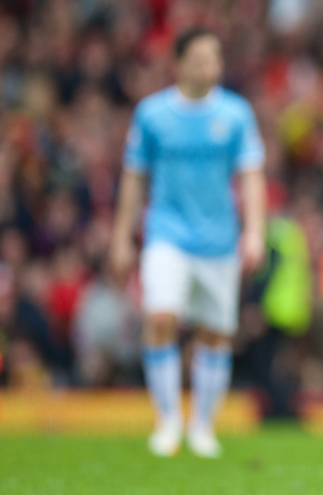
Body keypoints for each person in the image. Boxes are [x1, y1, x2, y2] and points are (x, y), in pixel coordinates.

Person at [110, 28, 266, 458]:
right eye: (199, 59)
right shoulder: (152, 115)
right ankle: (167, 421)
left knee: (214, 334)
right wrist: (122, 236)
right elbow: (134, 176)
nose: (208, 67)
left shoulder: (235, 114)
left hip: (219, 240)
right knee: (160, 317)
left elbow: (251, 177)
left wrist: (254, 232)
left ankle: (202, 425)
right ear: (177, 64)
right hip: (167, 234)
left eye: (214, 58)